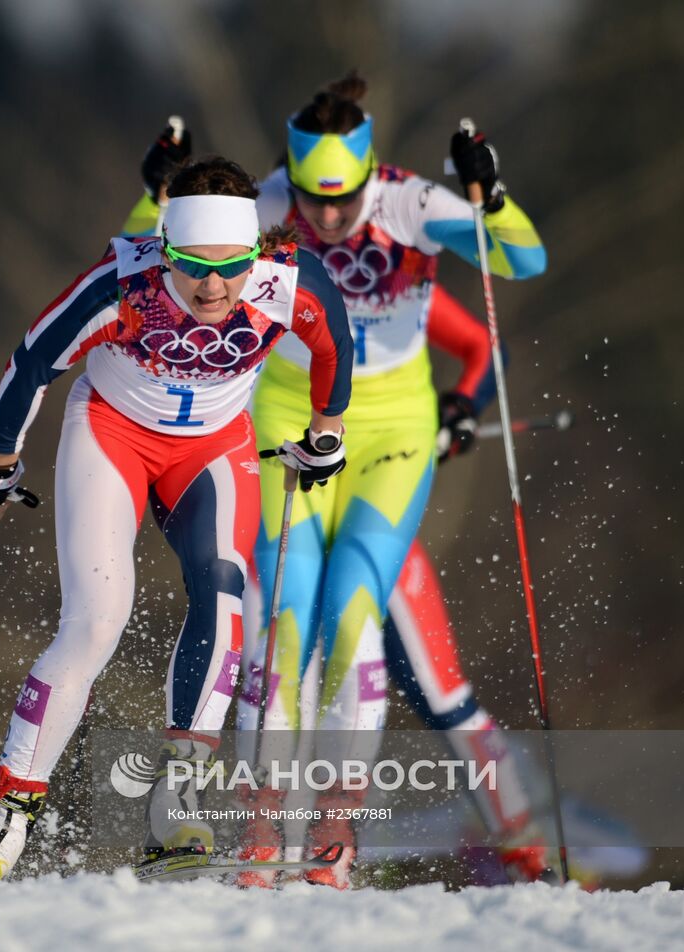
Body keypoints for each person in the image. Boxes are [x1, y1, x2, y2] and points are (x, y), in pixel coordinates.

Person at [133, 71, 547, 888]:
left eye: (343, 199)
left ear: (367, 172)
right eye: (312, 204)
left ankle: (332, 837)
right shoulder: (266, 204)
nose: (325, 218)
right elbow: (150, 251)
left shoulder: (414, 204)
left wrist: (491, 196)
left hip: (392, 431)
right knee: (282, 616)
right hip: (291, 420)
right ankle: (260, 832)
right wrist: (158, 193)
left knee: (354, 611)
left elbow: (525, 261)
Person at [0, 156, 354, 886]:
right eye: (191, 266)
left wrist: (327, 434)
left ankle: (179, 798)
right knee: (97, 621)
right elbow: (33, 362)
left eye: (230, 267)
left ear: (254, 254)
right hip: (111, 436)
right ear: (164, 249)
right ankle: (9, 808)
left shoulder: (287, 282)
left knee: (224, 596)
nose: (211, 286)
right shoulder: (119, 286)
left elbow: (335, 347)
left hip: (214, 445)